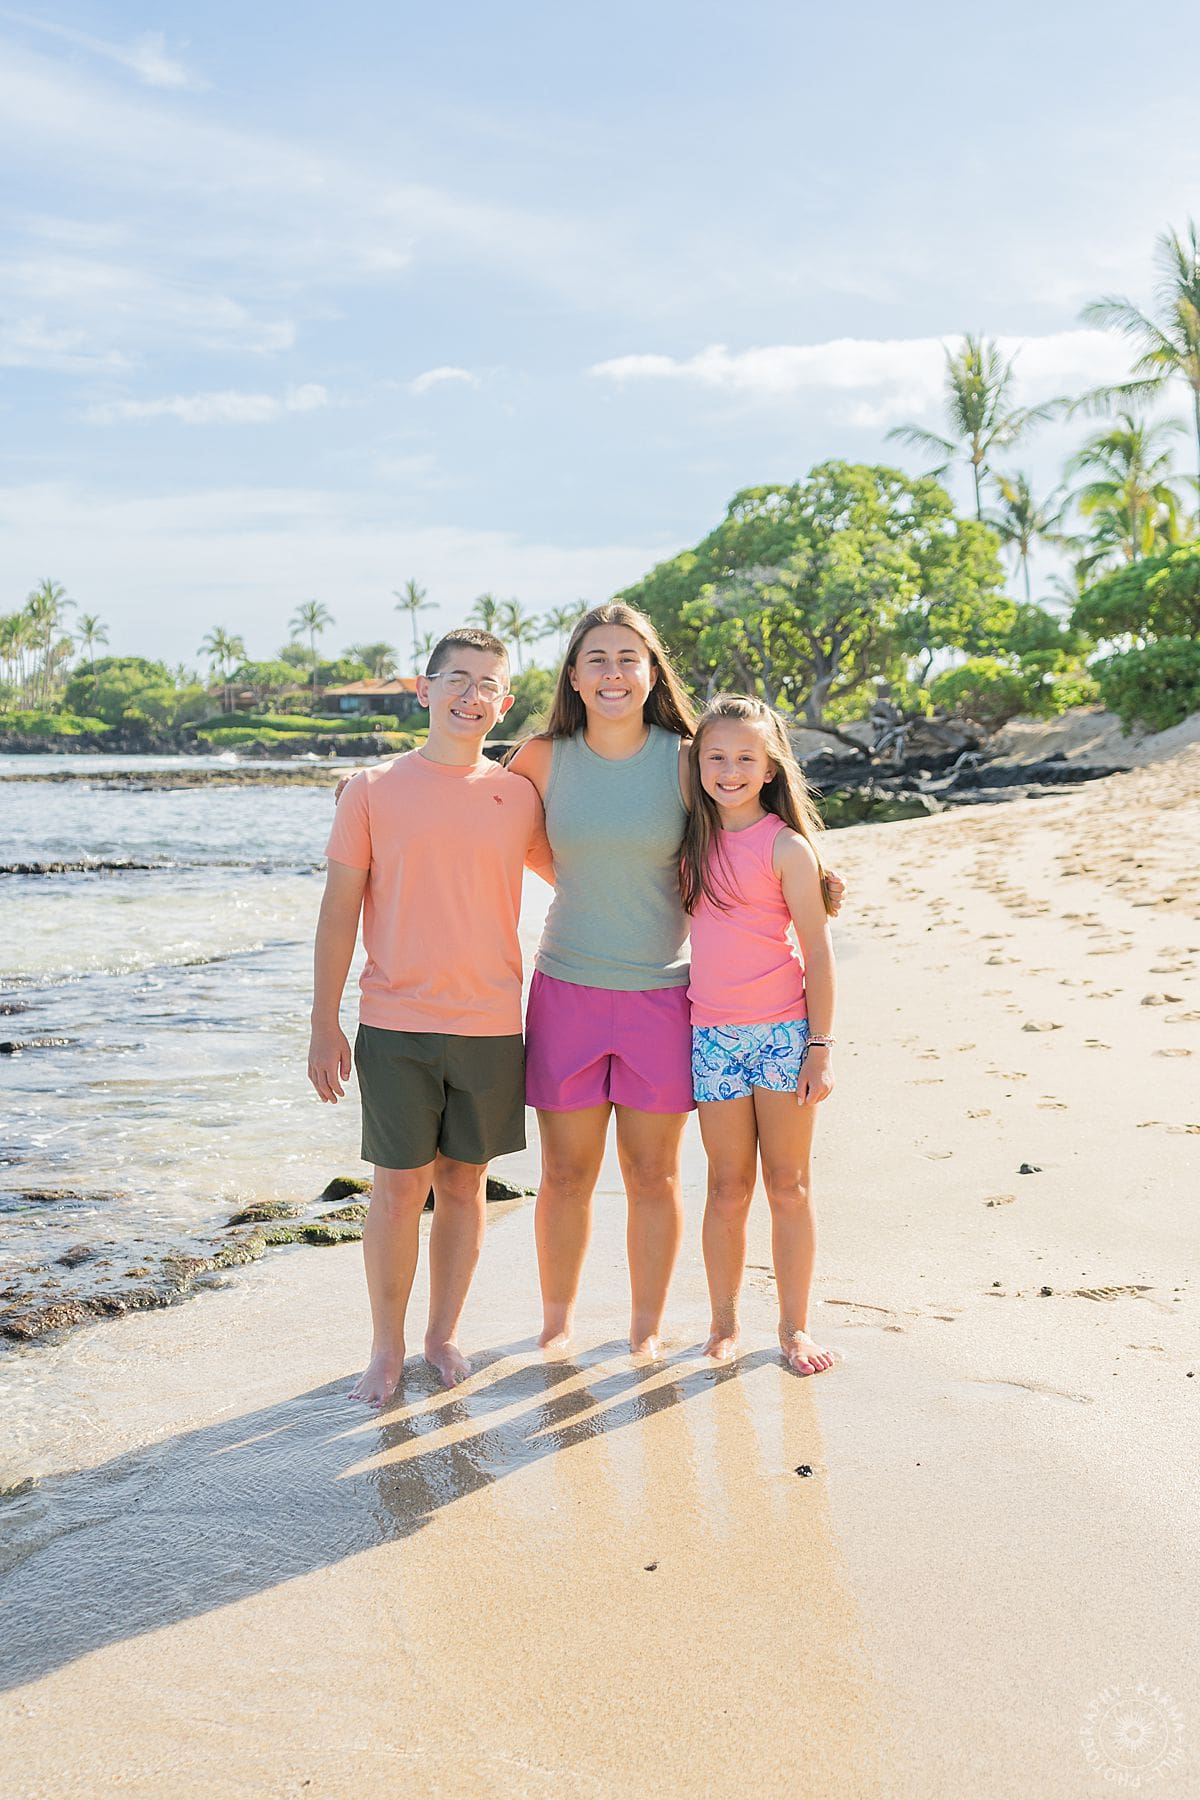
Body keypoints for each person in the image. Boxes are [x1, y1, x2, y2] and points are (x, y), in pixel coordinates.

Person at [508, 605, 845, 1358]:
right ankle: (557, 1323)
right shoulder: (539, 756)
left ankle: (646, 1329)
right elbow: (486, 814)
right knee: (563, 1171)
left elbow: (749, 814)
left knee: (653, 1173)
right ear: (573, 674)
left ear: (654, 671)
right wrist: (369, 790)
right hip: (566, 986)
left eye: (629, 658)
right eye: (596, 658)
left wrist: (816, 874)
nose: (613, 672)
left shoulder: (688, 758)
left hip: (667, 996)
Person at [307, 628, 553, 1403]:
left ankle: (442, 1335)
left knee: (464, 1183)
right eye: (456, 678)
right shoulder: (372, 790)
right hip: (395, 1021)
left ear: (503, 703)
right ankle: (384, 1348)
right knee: (396, 1187)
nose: (470, 695)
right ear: (425, 688)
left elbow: (599, 867)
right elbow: (339, 908)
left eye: (487, 684)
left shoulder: (519, 797)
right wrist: (324, 1020)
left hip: (489, 1024)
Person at [681, 694, 837, 1374]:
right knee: (725, 1187)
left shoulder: (786, 846)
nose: (730, 768)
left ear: (770, 768)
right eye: (716, 756)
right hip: (712, 1037)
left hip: (782, 1035)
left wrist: (820, 1047)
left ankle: (795, 1328)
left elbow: (819, 952)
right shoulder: (686, 840)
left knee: (787, 1185)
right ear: (698, 764)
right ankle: (722, 1325)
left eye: (746, 757)